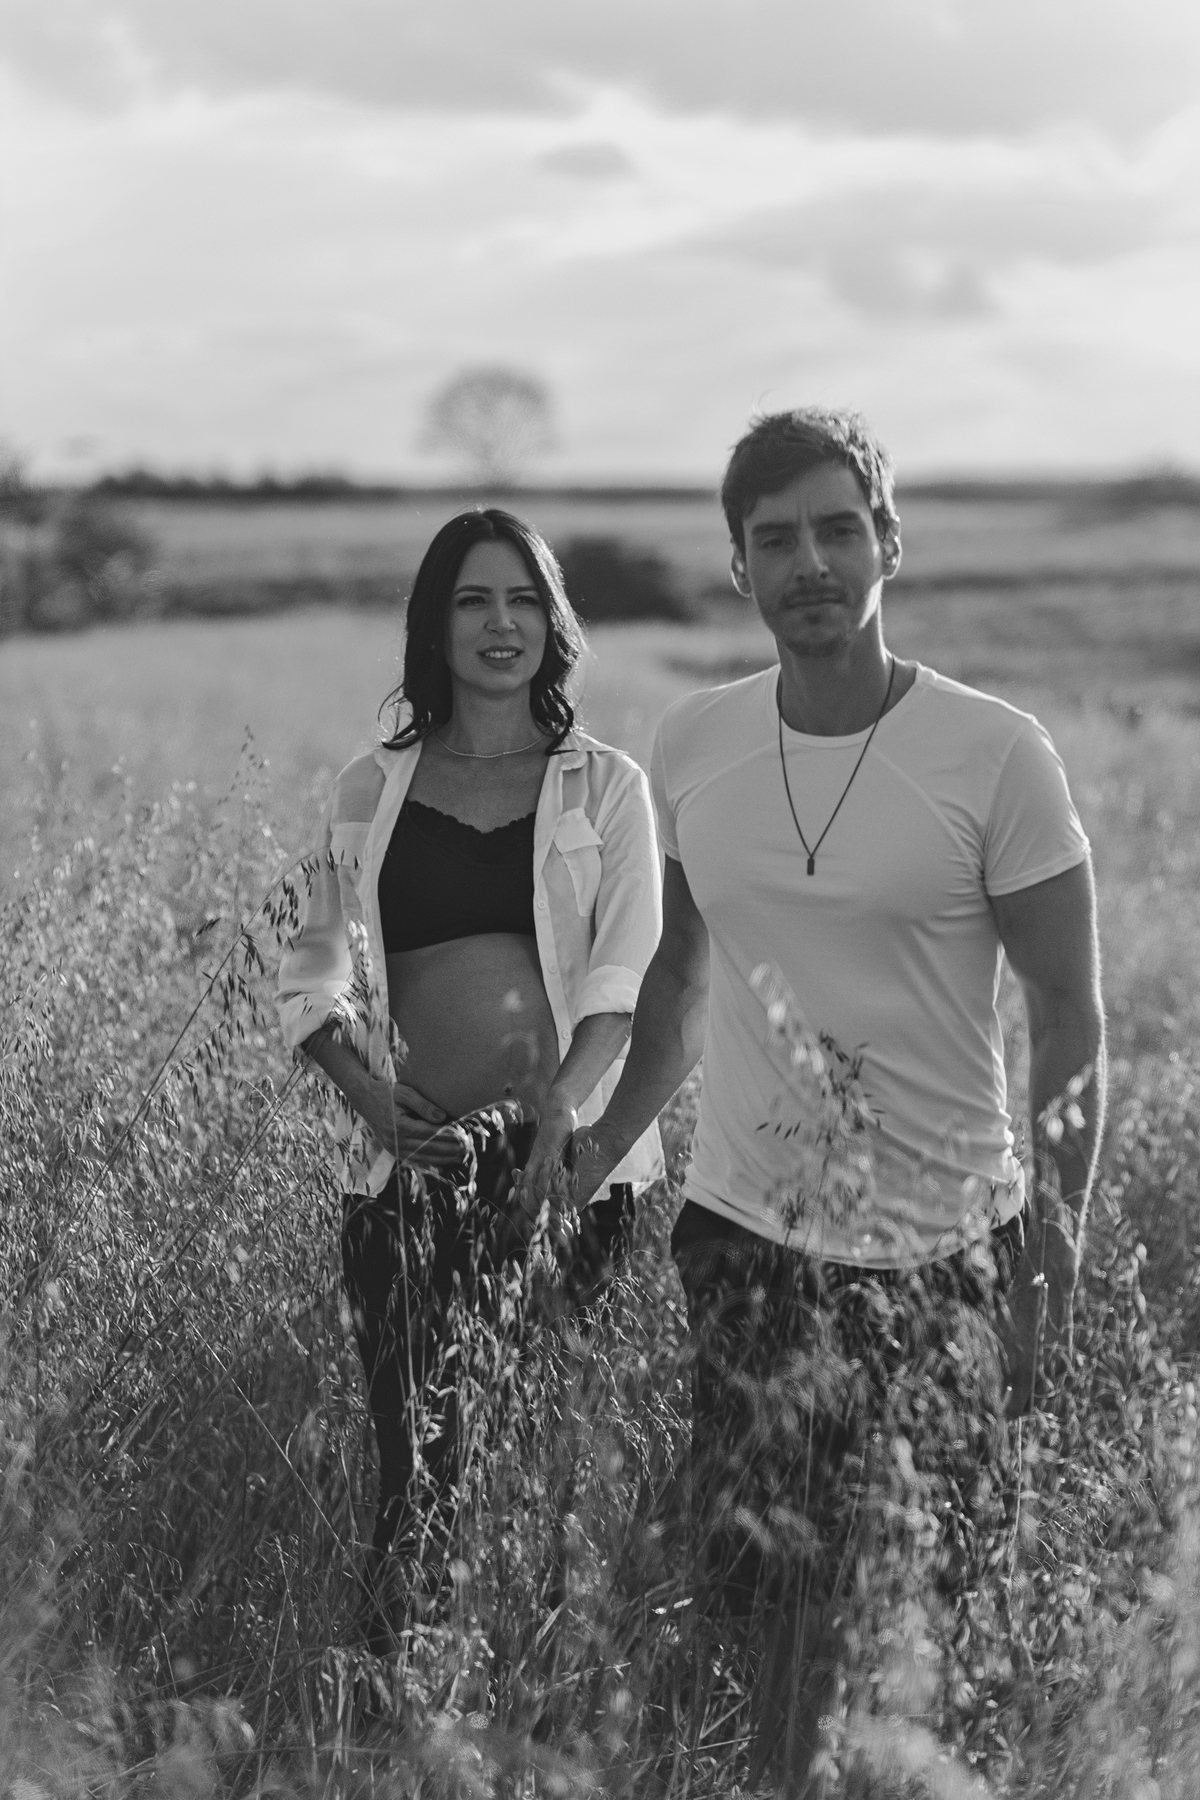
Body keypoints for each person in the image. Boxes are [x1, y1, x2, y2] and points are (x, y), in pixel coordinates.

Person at [554, 408, 1106, 1787]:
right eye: (777, 538)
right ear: (741, 567)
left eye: (837, 529)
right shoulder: (694, 741)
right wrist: (602, 1145)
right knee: (771, 1608)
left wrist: (1050, 1257)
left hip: (946, 1253)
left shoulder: (997, 753)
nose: (810, 561)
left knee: (921, 1614)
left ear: (889, 543)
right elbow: (683, 977)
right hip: (749, 1238)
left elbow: (1068, 1016)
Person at [275, 507, 663, 1647]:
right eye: (474, 600)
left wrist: (561, 1110)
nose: (502, 624)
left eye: (524, 599)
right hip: (405, 1174)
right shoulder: (370, 784)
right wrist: (368, 1095)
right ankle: (390, 1694)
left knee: (528, 1459)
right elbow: (314, 975)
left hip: (558, 1176)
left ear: (555, 621)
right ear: (434, 625)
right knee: (415, 1466)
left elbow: (627, 975)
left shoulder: (606, 784)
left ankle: (522, 1690)